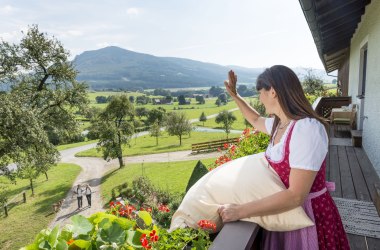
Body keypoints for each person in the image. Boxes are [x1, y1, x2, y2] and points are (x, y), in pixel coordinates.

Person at [218, 65, 349, 250]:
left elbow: (296, 195)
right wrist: (235, 95)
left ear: (272, 91)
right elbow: (255, 120)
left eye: (259, 93)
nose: (259, 99)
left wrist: (239, 211)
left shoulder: (307, 129)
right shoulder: (280, 124)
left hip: (308, 216)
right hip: (283, 213)